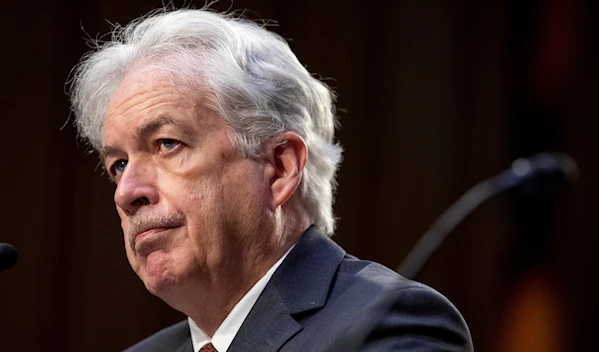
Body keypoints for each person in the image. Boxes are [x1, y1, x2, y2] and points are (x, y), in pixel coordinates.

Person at [69, 7, 473, 352]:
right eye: (118, 164)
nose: (127, 192)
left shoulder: (391, 327)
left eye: (167, 143)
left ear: (279, 168)